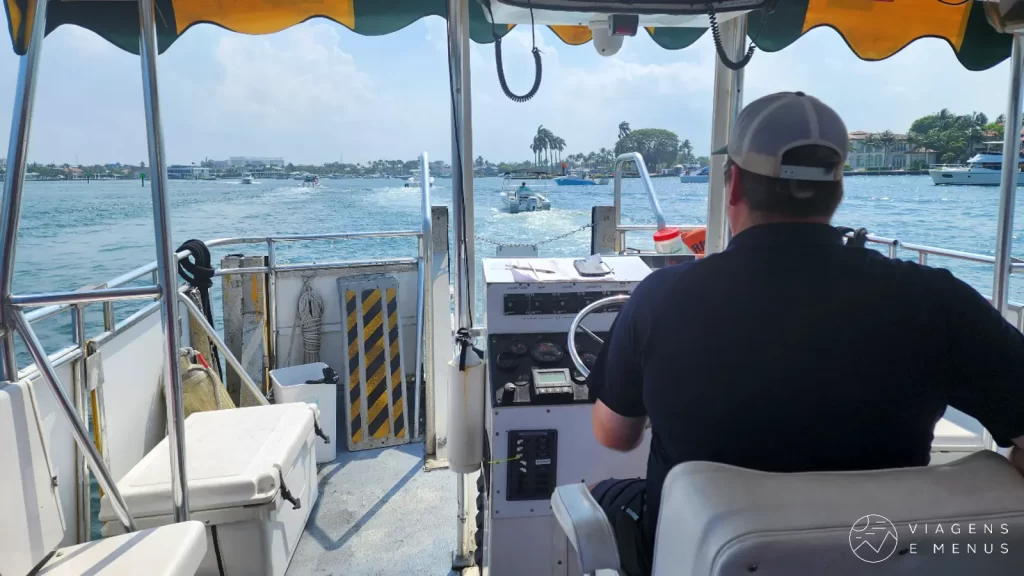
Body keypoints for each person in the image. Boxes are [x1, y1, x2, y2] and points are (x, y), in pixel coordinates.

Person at [585, 91, 1024, 576]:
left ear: (732, 187)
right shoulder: (939, 299)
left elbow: (616, 435)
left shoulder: (661, 297)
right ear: (837, 192)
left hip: (700, 559)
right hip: (873, 559)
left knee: (603, 499)